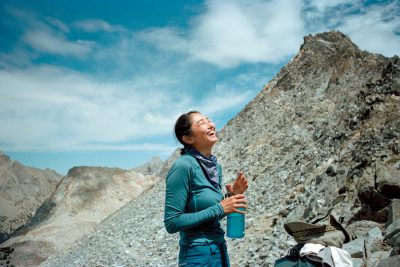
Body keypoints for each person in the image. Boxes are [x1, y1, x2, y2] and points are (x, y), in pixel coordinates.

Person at [164, 111, 249, 267]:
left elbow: (213, 214)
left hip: (220, 250)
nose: (210, 124)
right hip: (197, 255)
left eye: (209, 120)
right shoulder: (184, 166)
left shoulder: (215, 167)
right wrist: (220, 208)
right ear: (188, 138)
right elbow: (172, 222)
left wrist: (231, 196)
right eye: (201, 123)